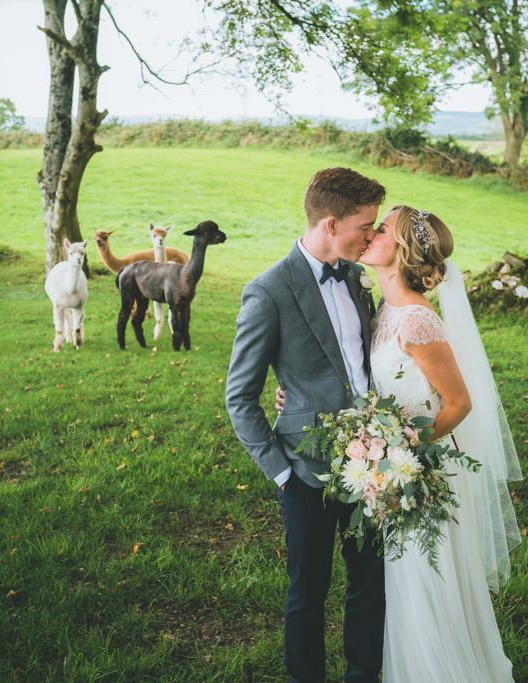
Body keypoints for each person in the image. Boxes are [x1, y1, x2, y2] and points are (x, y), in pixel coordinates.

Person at [225, 167, 387, 683]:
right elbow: (240, 397)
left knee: (370, 584)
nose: (372, 235)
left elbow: (357, 366)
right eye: (366, 225)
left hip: (374, 463)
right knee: (307, 592)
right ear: (332, 223)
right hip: (304, 471)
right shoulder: (268, 291)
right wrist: (281, 473)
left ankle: (364, 675)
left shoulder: (356, 278)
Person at [359, 204, 523, 682]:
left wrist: (404, 452)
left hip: (421, 473)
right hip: (394, 470)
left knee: (428, 582)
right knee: (406, 585)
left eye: (382, 228)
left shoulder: (416, 320)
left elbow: (458, 402)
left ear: (403, 249)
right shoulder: (385, 309)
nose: (371, 233)